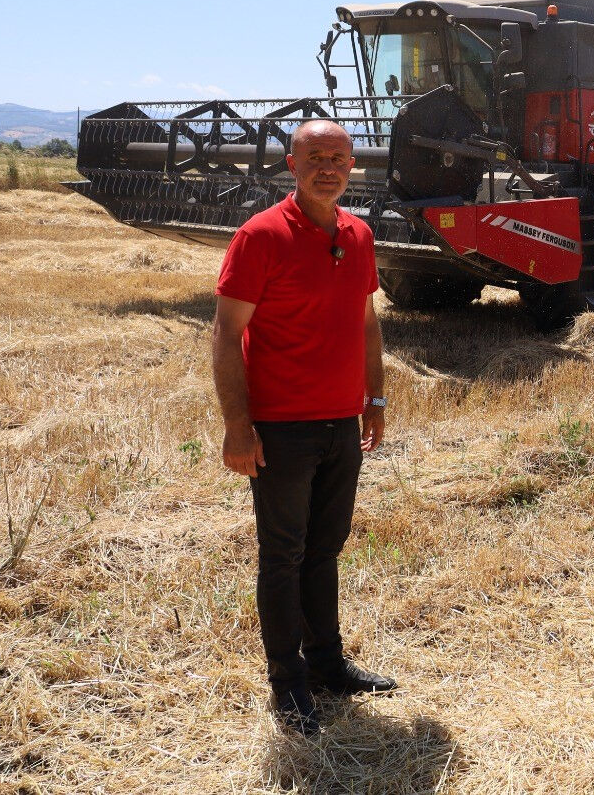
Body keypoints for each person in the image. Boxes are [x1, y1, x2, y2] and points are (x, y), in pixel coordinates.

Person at [210, 118, 393, 736]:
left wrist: (375, 398)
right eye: (316, 156)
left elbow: (366, 321)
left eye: (340, 157)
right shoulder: (259, 236)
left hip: (343, 421)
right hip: (282, 428)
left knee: (325, 550)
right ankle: (287, 686)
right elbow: (227, 334)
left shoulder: (358, 234)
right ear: (292, 164)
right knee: (283, 556)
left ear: (352, 166)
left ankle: (328, 666)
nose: (329, 168)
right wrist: (239, 425)